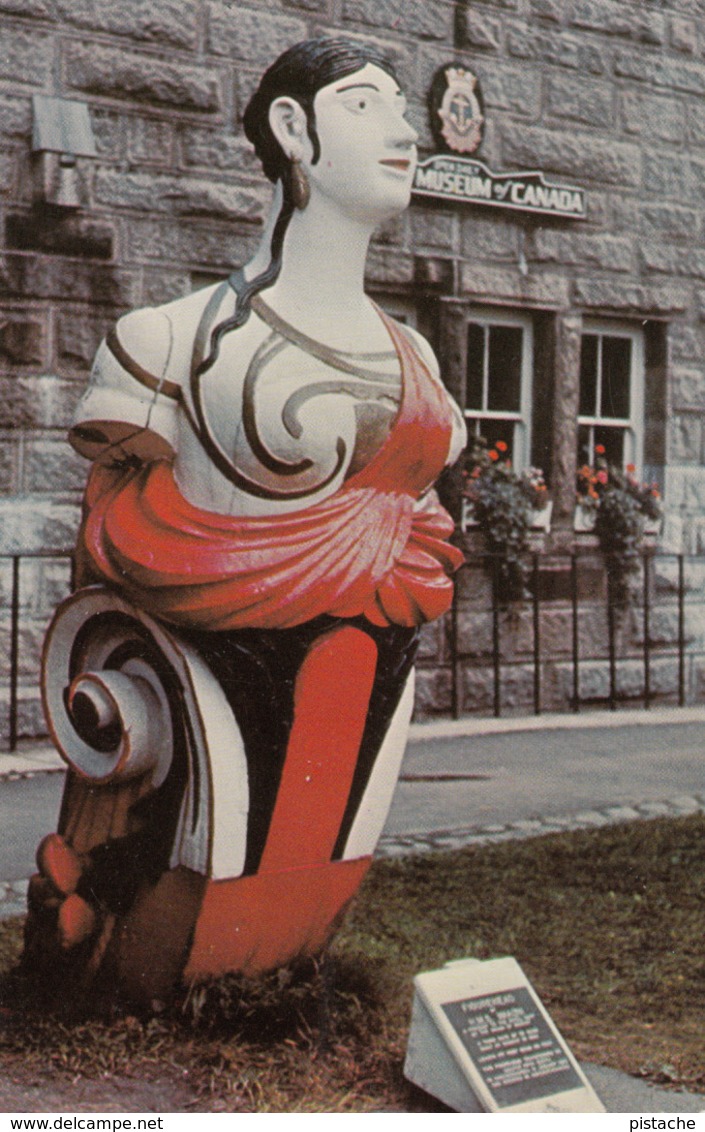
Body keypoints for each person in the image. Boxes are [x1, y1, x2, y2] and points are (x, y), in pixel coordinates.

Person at [30, 37, 466, 1000]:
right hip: (201, 695)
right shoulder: (166, 345)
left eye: (404, 109)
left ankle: (277, 969)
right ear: (291, 130)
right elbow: (114, 529)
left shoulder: (417, 358)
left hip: (364, 666)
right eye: (366, 106)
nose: (406, 131)